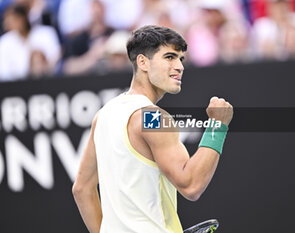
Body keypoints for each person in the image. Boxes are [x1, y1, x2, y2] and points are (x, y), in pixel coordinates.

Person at [72, 25, 233, 233]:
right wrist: (217, 125)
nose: (179, 66)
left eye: (180, 59)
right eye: (169, 57)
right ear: (143, 62)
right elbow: (191, 185)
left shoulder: (103, 115)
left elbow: (82, 189)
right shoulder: (153, 117)